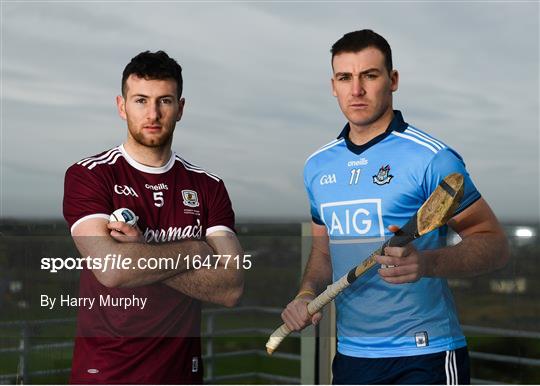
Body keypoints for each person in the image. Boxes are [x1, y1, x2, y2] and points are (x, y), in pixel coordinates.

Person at [281, 30, 509, 384]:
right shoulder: (317, 166)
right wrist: (307, 294)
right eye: (345, 77)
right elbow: (324, 251)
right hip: (353, 356)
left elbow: (494, 244)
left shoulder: (432, 158)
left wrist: (426, 263)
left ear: (393, 80)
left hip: (426, 354)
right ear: (333, 85)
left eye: (369, 75)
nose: (356, 90)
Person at [63, 51, 244, 384]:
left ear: (181, 108)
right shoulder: (90, 175)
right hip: (106, 375)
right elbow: (112, 269)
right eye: (141, 100)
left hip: (180, 374)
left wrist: (141, 249)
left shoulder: (208, 187)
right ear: (122, 106)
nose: (153, 113)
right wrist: (194, 252)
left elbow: (230, 288)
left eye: (165, 101)